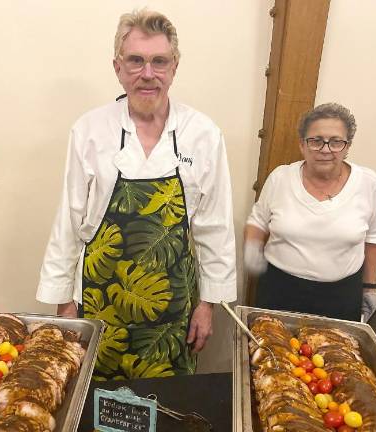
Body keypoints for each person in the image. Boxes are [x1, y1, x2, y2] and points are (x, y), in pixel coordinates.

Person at [36, 9, 236, 380]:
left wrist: (207, 305)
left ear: (174, 66)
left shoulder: (203, 134)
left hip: (172, 308)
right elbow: (69, 220)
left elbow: (215, 227)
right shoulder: (90, 130)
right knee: (95, 400)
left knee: (168, 403)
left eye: (159, 61)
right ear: (118, 67)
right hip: (98, 301)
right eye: (136, 61)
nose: (148, 73)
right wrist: (64, 304)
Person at [244, 103, 376, 321]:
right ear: (302, 145)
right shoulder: (280, 178)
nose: (326, 149)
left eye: (336, 142)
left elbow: (374, 237)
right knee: (273, 353)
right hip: (279, 291)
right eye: (316, 141)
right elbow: (258, 222)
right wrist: (252, 248)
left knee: (334, 355)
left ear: (347, 146)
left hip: (341, 297)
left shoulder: (368, 183)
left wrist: (369, 288)